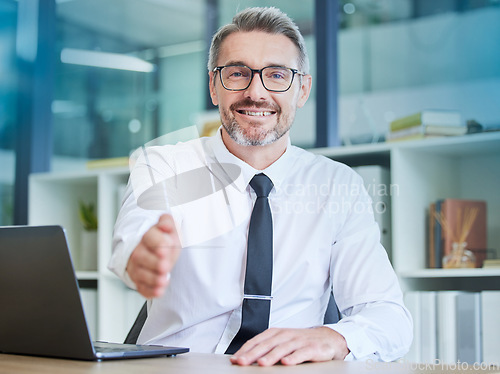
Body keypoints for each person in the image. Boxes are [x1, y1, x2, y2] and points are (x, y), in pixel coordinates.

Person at [109, 6, 412, 367]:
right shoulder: (167, 166)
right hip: (176, 368)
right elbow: (133, 238)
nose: (256, 92)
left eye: (277, 75)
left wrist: (335, 337)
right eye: (237, 73)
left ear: (302, 89)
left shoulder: (336, 185)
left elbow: (389, 319)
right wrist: (141, 257)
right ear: (213, 86)